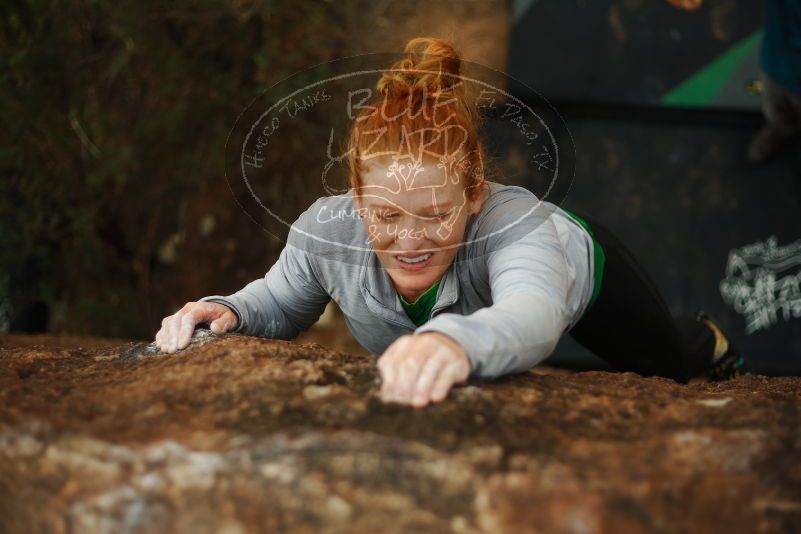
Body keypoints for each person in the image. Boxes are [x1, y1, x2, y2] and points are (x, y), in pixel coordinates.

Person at [154, 37, 748, 408]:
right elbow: (280, 302)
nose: (410, 241)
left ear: (473, 193)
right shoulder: (325, 231)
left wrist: (448, 342)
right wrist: (228, 310)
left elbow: (534, 314)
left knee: (669, 366)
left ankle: (703, 337)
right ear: (356, 201)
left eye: (436, 214)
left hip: (580, 272)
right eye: (386, 216)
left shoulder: (518, 227)